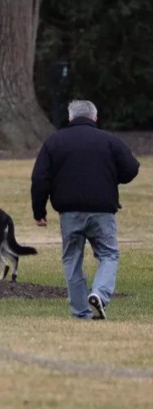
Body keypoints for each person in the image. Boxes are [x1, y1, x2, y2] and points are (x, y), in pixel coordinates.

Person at [31, 100, 140, 320]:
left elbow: (40, 178)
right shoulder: (109, 140)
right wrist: (110, 179)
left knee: (72, 258)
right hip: (102, 211)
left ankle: (81, 313)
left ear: (70, 118)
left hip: (69, 212)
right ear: (95, 118)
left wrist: (39, 211)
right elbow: (131, 168)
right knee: (109, 254)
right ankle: (100, 293)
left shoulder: (55, 141)